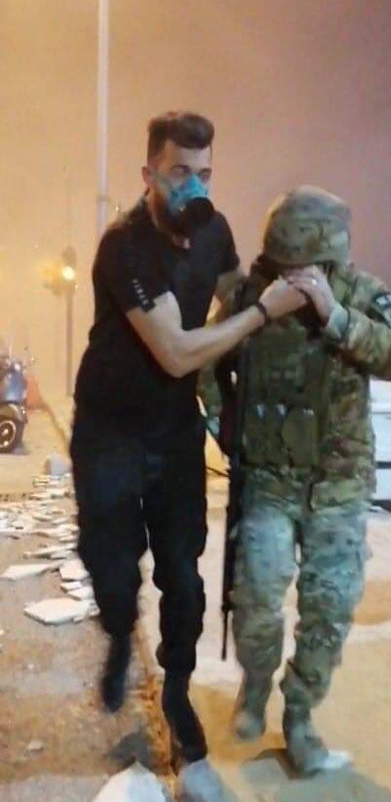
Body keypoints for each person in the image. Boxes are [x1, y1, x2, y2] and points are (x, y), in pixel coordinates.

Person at [70, 111, 308, 768]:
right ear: (148, 174)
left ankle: (176, 689)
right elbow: (176, 351)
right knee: (113, 568)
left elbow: (231, 290)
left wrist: (285, 285)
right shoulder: (124, 245)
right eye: (179, 173)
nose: (193, 189)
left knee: (184, 573)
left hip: (175, 429)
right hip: (110, 430)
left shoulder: (214, 229)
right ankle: (119, 633)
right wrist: (262, 313)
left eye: (204, 174)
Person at [203, 186, 391, 774]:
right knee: (256, 597)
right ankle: (254, 685)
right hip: (269, 480)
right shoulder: (250, 296)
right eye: (284, 265)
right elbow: (209, 362)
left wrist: (336, 317)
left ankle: (299, 714)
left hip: (339, 484)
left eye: (305, 267)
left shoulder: (363, 293)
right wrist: (224, 425)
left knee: (329, 606)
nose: (293, 277)